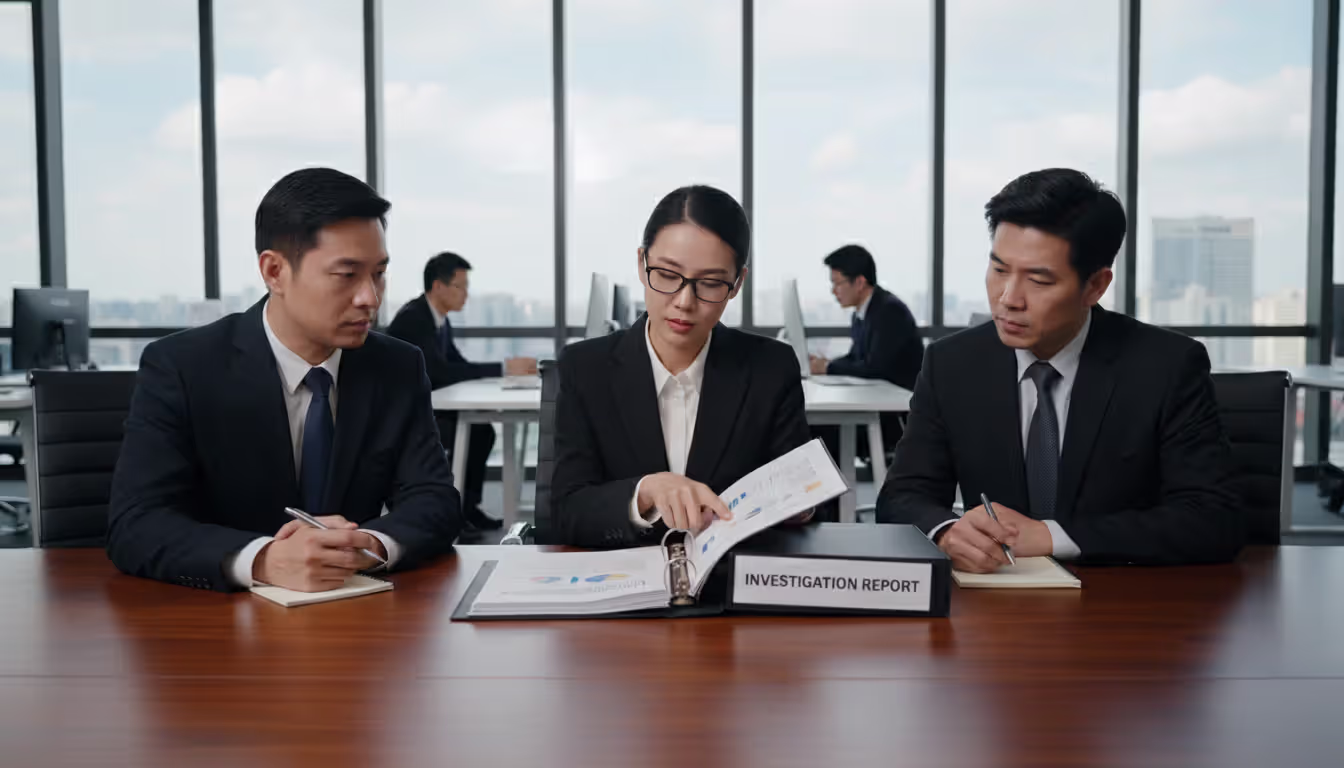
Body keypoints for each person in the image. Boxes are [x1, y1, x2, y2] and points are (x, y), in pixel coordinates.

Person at [108, 167, 463, 593]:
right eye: (346, 275)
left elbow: (435, 501)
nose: (370, 297)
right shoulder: (182, 367)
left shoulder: (397, 366)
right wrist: (264, 560)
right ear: (275, 271)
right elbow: (136, 523)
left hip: (356, 620)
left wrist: (366, 545)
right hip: (218, 627)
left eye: (379, 274)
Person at [876, 168, 1243, 570]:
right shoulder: (952, 364)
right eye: (999, 270)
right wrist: (945, 530)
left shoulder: (1166, 366)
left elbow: (1213, 518)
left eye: (1039, 280)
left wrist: (1052, 536)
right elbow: (902, 495)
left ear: (1095, 286)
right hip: (997, 606)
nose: (1008, 299)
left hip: (1124, 602)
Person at [551, 185, 818, 548]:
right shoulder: (585, 368)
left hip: (731, 589)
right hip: (623, 587)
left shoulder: (769, 369)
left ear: (737, 282)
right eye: (667, 275)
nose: (683, 301)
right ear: (642, 263)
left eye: (710, 283)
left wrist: (799, 504)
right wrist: (644, 494)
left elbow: (799, 497)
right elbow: (566, 512)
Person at [386, 252, 537, 532]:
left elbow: (456, 365)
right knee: (475, 432)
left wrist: (503, 371)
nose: (466, 295)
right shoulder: (415, 318)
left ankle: (468, 508)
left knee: (481, 432)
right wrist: (503, 368)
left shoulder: (439, 319)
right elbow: (440, 372)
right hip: (404, 418)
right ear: (438, 286)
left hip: (426, 407)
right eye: (461, 287)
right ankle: (456, 512)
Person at [809, 243, 924, 459]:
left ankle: (832, 493)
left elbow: (874, 368)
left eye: (837, 283)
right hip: (881, 407)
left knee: (821, 432)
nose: (834, 291)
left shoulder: (889, 311)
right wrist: (826, 365)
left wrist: (829, 367)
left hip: (895, 419)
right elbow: (856, 357)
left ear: (860, 282)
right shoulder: (862, 313)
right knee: (819, 429)